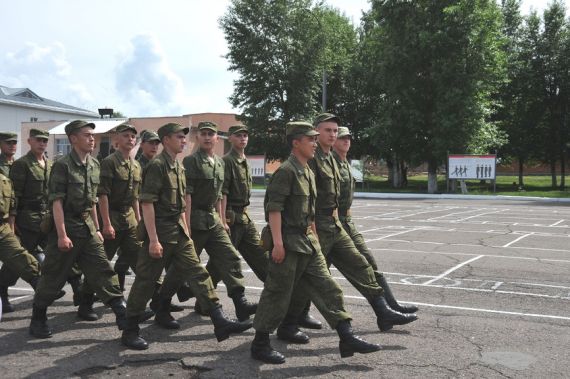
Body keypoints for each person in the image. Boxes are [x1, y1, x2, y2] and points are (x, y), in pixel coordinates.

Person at [250, 121, 381, 364]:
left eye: (314, 138)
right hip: (288, 242)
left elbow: (310, 212)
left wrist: (315, 236)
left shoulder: (307, 171)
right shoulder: (286, 171)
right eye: (309, 139)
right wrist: (277, 243)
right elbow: (274, 210)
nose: (314, 143)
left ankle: (346, 335)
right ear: (295, 143)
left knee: (328, 287)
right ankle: (260, 343)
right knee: (277, 292)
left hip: (309, 241)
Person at [121, 122, 252, 350]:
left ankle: (219, 320)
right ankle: (130, 328)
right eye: (179, 137)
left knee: (199, 273)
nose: (184, 140)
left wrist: (186, 230)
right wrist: (152, 239)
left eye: (184, 137)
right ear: (166, 140)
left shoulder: (178, 167)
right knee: (145, 280)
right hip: (161, 232)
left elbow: (182, 204)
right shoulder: (158, 166)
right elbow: (147, 204)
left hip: (179, 231)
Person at [299, 113, 416, 332]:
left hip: (338, 224)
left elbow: (340, 198)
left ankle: (385, 311)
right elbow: (309, 198)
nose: (339, 138)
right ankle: (289, 320)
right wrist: (311, 228)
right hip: (320, 226)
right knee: (311, 276)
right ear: (316, 132)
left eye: (339, 133)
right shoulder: (315, 160)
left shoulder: (336, 163)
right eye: (330, 131)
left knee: (362, 265)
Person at [203, 124, 319, 343]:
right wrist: (223, 218)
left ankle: (266, 301)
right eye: (238, 136)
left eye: (246, 135)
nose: (243, 139)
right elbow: (223, 192)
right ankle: (206, 299)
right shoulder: (227, 161)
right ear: (231, 139)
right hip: (231, 218)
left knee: (256, 259)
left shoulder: (244, 160)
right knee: (224, 261)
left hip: (244, 218)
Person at [29, 120, 128, 339]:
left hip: (88, 227)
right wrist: (62, 235)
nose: (92, 139)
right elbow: (56, 202)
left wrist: (98, 228)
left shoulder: (94, 164)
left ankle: (124, 316)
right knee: (53, 275)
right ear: (73, 139)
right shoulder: (62, 166)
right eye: (87, 135)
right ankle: (38, 318)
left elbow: (92, 200)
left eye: (93, 135)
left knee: (102, 269)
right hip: (67, 226)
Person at [333, 126, 418, 314]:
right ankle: (294, 317)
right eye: (341, 138)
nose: (346, 141)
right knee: (313, 274)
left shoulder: (348, 164)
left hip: (346, 222)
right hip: (330, 224)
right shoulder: (328, 163)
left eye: (348, 137)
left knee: (369, 262)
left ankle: (390, 305)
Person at [182, 121, 256, 321]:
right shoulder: (193, 161)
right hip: (199, 219)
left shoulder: (220, 162)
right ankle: (161, 301)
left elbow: (219, 194)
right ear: (198, 137)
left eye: (211, 134)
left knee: (228, 258)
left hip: (216, 219)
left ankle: (240, 302)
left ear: (217, 138)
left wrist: (221, 220)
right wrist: (186, 225)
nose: (207, 137)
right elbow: (188, 195)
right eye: (203, 133)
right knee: (184, 267)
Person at [0, 129, 74, 312]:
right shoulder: (19, 165)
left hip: (44, 216)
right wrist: (13, 221)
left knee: (52, 252)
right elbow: (13, 196)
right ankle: (9, 289)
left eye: (44, 140)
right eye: (8, 143)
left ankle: (74, 286)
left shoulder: (48, 164)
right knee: (19, 256)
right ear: (30, 141)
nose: (12, 145)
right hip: (25, 218)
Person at [0, 170, 42, 312]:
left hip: (2, 229)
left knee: (21, 257)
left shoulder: (5, 180)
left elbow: (12, 209)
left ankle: (41, 289)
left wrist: (11, 232)